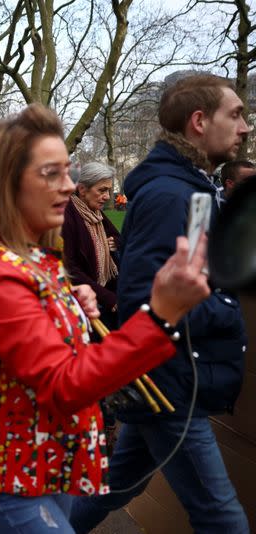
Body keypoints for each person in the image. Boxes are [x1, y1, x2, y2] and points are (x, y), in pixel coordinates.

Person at [0, 104, 216, 533]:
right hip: (14, 468)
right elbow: (63, 383)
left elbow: (48, 351)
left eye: (68, 172)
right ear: (8, 185)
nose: (69, 186)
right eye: (51, 173)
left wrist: (69, 308)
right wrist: (160, 316)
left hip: (52, 455)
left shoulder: (35, 259)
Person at [71, 75, 251, 534]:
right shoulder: (174, 195)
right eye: (236, 114)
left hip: (169, 378)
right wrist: (229, 309)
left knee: (119, 486)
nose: (246, 127)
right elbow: (143, 301)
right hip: (170, 384)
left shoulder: (194, 188)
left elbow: (193, 273)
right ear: (198, 121)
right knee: (222, 517)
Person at [61, 162, 120, 327]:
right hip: (86, 305)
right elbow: (70, 268)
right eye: (102, 190)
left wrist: (115, 242)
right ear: (82, 189)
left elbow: (118, 236)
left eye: (108, 190)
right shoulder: (67, 216)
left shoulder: (96, 213)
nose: (107, 196)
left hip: (103, 297)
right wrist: (108, 298)